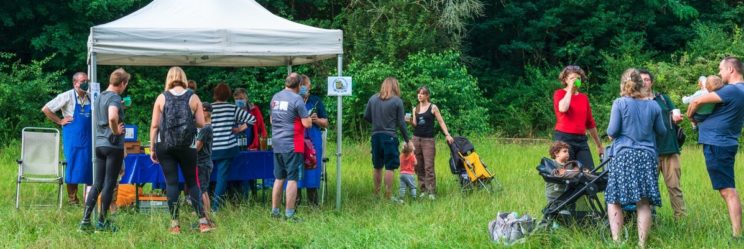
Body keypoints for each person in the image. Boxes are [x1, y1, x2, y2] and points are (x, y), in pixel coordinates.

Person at [605, 68, 666, 247]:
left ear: (624, 84)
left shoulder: (619, 103)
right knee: (643, 202)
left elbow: (612, 131)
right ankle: (642, 244)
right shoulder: (654, 105)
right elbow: (662, 132)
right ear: (642, 84)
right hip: (647, 156)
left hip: (623, 156)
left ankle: (617, 242)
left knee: (614, 199)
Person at [149, 66, 213, 234]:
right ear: (184, 79)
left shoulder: (161, 97)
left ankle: (175, 225)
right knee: (192, 183)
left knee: (171, 183)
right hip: (188, 146)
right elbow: (201, 123)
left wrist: (152, 147)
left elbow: (155, 125)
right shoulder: (193, 97)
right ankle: (202, 222)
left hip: (165, 145)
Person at [686, 57, 744, 239]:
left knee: (727, 190)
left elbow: (696, 102)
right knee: (726, 188)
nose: (719, 73)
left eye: (721, 69)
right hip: (722, 142)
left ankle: (737, 234)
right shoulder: (737, 91)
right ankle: (737, 232)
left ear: (731, 70)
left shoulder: (732, 90)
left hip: (718, 144)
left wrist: (690, 117)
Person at [79, 68, 130, 233]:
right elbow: (112, 117)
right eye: (125, 84)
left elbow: (106, 113)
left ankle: (85, 221)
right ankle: (101, 223)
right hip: (112, 145)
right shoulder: (115, 97)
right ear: (122, 83)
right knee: (109, 184)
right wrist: (115, 130)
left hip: (99, 144)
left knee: (97, 183)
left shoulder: (100, 96)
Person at [640, 69, 687, 219]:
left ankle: (681, 219)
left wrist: (676, 117)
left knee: (674, 187)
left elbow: (675, 113)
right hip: (647, 151)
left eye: (647, 79)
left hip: (669, 149)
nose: (644, 82)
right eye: (641, 79)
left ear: (651, 82)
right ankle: (650, 218)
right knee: (648, 189)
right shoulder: (635, 101)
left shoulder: (663, 99)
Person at [42, 72, 92, 205]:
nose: (86, 83)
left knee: (89, 165)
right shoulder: (67, 96)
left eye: (87, 80)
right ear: (75, 83)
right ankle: (73, 200)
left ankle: (89, 199)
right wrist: (59, 121)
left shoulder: (91, 97)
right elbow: (46, 109)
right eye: (83, 81)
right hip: (73, 138)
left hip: (89, 138)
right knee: (73, 165)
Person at [269, 73, 312, 221]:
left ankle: (275, 211)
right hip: (293, 144)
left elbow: (272, 120)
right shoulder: (297, 99)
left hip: (277, 143)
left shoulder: (275, 97)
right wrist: (308, 118)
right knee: (292, 179)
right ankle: (289, 213)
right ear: (299, 85)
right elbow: (306, 124)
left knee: (279, 178)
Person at [364, 77, 413, 201]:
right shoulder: (397, 101)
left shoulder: (372, 98)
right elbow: (402, 123)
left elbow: (366, 116)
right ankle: (388, 195)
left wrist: (377, 122)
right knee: (390, 167)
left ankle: (376, 194)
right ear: (395, 86)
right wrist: (408, 140)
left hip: (375, 136)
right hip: (390, 137)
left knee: (377, 166)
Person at [211, 83, 255, 210]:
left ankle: (203, 205)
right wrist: (239, 129)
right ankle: (215, 208)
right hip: (227, 148)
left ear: (215, 94)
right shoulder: (232, 108)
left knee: (206, 177)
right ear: (229, 95)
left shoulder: (208, 108)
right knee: (221, 178)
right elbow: (252, 119)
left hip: (210, 148)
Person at [552, 65, 604, 169]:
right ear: (565, 79)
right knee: (568, 174)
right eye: (572, 78)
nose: (576, 81)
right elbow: (563, 108)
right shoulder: (559, 93)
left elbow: (590, 123)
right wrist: (570, 89)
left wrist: (599, 145)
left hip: (581, 140)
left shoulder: (583, 98)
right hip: (564, 138)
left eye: (578, 78)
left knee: (588, 172)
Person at [408, 85, 454, 200]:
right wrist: (409, 121)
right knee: (418, 166)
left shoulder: (433, 107)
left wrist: (447, 134)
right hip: (416, 139)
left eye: (422, 93)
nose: (419, 95)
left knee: (429, 166)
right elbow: (415, 124)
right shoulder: (415, 108)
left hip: (428, 140)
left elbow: (441, 122)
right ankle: (423, 189)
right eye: (418, 93)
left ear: (427, 95)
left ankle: (431, 191)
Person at [298, 75, 328, 206]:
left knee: (313, 170)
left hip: (313, 140)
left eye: (306, 87)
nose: (304, 89)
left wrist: (316, 120)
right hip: (297, 138)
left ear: (310, 87)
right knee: (296, 168)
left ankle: (313, 203)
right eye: (301, 87)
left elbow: (325, 122)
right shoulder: (293, 100)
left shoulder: (316, 100)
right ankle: (295, 201)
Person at [233, 87, 266, 201]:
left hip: (252, 145)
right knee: (237, 171)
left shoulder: (253, 109)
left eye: (241, 98)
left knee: (252, 171)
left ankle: (254, 195)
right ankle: (239, 196)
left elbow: (261, 125)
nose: (239, 101)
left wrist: (263, 140)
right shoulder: (232, 110)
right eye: (237, 99)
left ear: (246, 98)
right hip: (235, 145)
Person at [196, 102, 214, 225]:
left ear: (207, 112)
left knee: (202, 191)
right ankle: (207, 217)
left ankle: (206, 218)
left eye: (202, 111)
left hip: (202, 163)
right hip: (205, 162)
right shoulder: (207, 127)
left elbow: (197, 147)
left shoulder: (205, 128)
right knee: (204, 190)